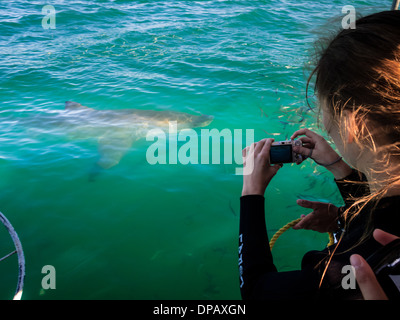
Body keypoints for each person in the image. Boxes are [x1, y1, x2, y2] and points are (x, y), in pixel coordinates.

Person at [239, 10, 400, 300]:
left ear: (354, 124)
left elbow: (255, 290)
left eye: (323, 107)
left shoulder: (349, 269)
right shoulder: (387, 225)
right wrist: (342, 200)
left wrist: (251, 192)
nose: (323, 121)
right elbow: (386, 215)